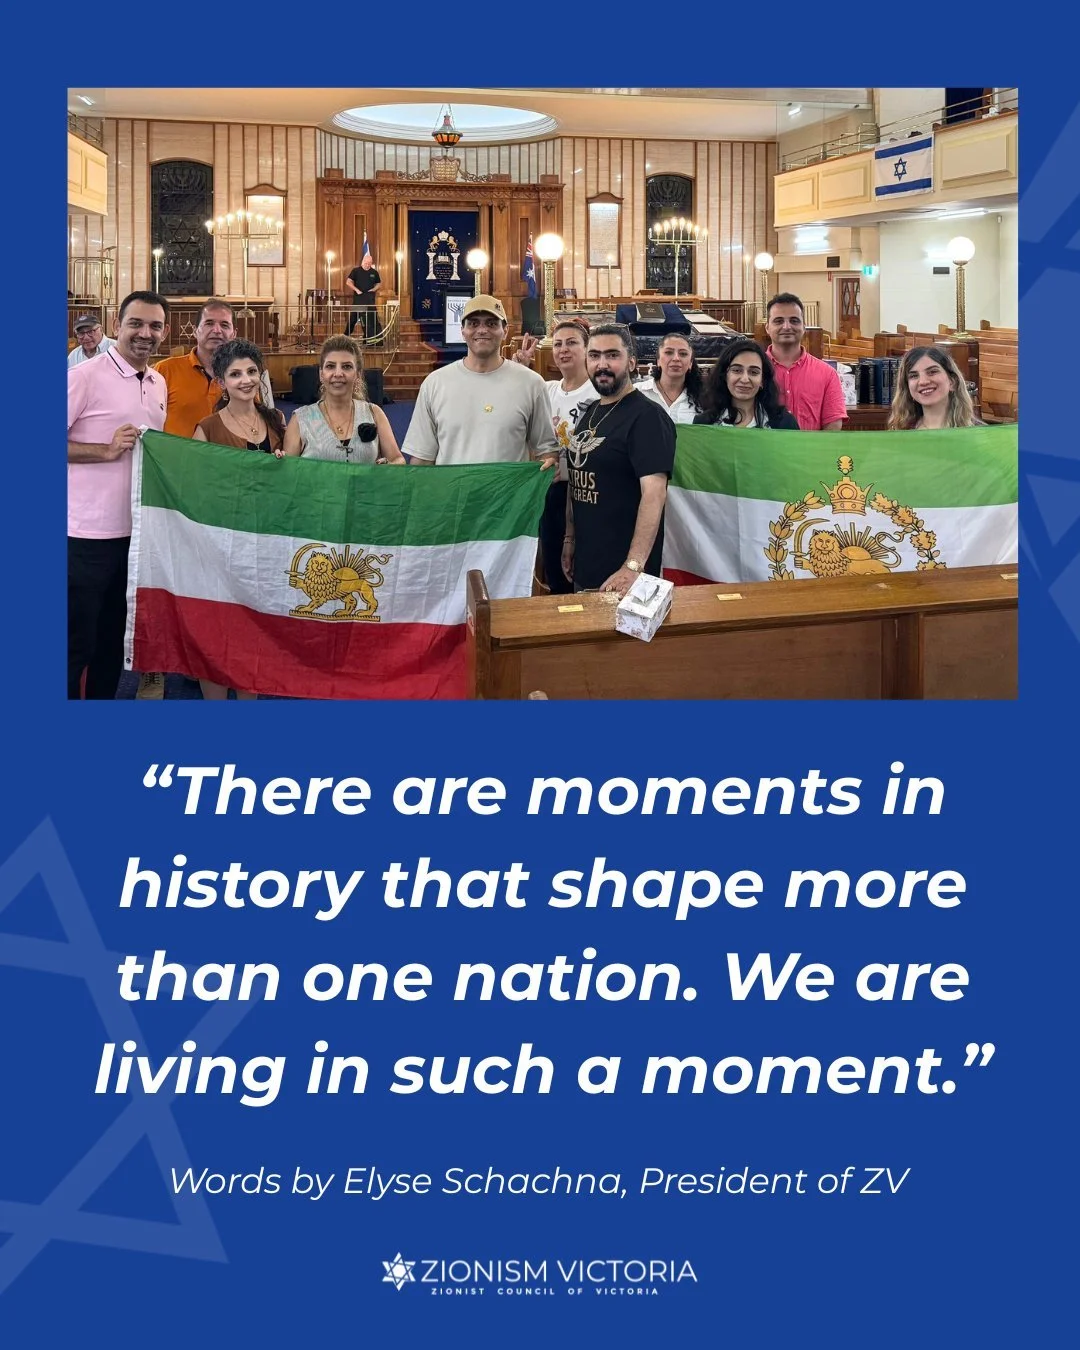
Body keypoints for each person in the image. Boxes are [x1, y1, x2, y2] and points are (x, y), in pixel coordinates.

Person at [67, 290, 169, 699]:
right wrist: (103, 450)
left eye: (155, 326)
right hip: (85, 536)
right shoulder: (83, 376)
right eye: (136, 324)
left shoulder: (159, 381)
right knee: (75, 643)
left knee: (113, 641)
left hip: (136, 537)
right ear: (116, 327)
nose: (145, 333)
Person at [563, 324, 676, 596]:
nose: (602, 364)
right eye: (594, 356)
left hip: (625, 574)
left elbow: (654, 494)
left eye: (612, 355)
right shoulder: (591, 410)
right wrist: (570, 538)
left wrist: (633, 566)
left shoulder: (647, 417)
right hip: (587, 562)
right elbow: (578, 477)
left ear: (632, 362)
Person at [403, 295, 558, 469]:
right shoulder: (434, 384)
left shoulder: (531, 384)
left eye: (491, 323)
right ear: (462, 331)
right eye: (474, 323)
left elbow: (546, 451)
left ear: (505, 331)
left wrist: (550, 464)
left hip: (507, 495)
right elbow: (422, 459)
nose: (482, 330)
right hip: (452, 495)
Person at [282, 336, 403, 464]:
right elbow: (289, 474)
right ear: (321, 374)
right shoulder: (300, 419)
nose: (338, 373)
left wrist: (389, 465)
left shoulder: (374, 413)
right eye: (330, 366)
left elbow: (398, 459)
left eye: (346, 367)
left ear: (358, 374)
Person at [155, 299, 238, 437]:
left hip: (228, 457)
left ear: (234, 334)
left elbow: (255, 419)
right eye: (209, 323)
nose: (217, 330)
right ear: (195, 331)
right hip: (179, 457)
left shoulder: (243, 375)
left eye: (224, 325)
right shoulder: (166, 370)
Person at [764, 293, 847, 431]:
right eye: (778, 321)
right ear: (767, 328)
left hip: (811, 451)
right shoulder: (754, 370)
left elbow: (833, 425)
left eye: (794, 321)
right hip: (764, 450)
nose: (786, 327)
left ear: (804, 327)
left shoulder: (827, 374)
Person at [194, 339, 286, 453]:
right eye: (235, 374)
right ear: (221, 382)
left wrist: (283, 459)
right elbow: (196, 470)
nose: (246, 380)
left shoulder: (277, 418)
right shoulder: (207, 428)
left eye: (251, 371)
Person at [694, 339, 801, 429]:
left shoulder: (785, 423)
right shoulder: (704, 423)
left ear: (762, 380)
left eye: (753, 372)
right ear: (725, 376)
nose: (745, 379)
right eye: (736, 370)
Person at [887, 345, 983, 429]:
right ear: (907, 387)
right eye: (913, 376)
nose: (923, 382)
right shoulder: (901, 431)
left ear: (952, 382)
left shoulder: (979, 433)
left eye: (932, 372)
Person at [634, 331, 703, 423]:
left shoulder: (705, 399)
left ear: (690, 363)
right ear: (658, 360)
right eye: (669, 352)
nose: (676, 358)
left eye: (683, 354)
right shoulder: (636, 393)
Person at [346, 254, 380, 341]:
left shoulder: (374, 272)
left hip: (370, 300)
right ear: (362, 262)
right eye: (366, 263)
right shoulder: (356, 271)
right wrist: (356, 290)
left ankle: (369, 339)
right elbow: (348, 282)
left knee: (371, 319)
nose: (368, 265)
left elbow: (379, 283)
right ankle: (345, 336)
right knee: (353, 319)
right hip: (359, 299)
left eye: (370, 263)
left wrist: (374, 289)